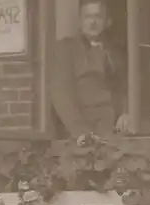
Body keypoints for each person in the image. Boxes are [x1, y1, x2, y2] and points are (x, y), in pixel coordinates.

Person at [51, 0, 129, 139]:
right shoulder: (67, 49)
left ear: (108, 22)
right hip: (87, 132)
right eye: (87, 17)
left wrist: (127, 111)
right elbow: (61, 94)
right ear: (80, 22)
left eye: (97, 17)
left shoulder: (116, 51)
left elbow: (126, 86)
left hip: (116, 130)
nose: (92, 22)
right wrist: (80, 131)